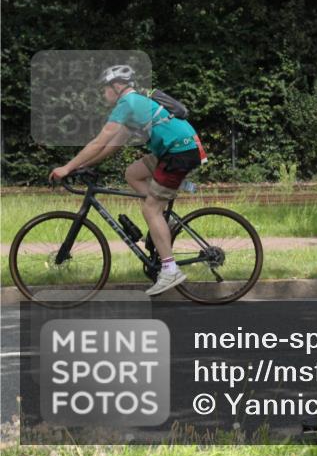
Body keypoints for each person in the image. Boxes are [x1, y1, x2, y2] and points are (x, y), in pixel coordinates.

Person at [49, 65, 205, 295]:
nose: (103, 94)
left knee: (150, 210)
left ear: (117, 86)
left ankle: (170, 269)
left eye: (105, 89)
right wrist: (84, 165)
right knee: (133, 173)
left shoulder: (128, 104)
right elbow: (111, 145)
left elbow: (98, 141)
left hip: (179, 153)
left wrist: (67, 167)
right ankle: (164, 223)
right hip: (175, 150)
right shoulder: (134, 105)